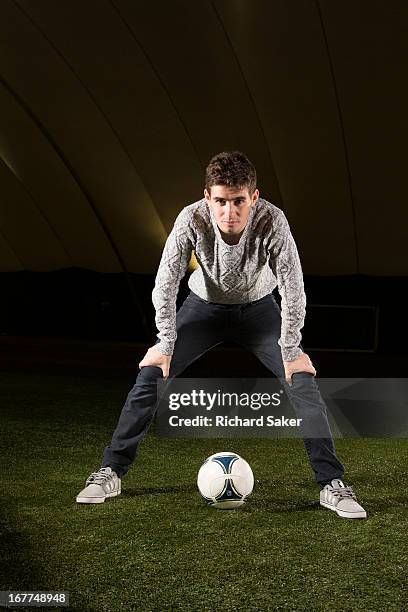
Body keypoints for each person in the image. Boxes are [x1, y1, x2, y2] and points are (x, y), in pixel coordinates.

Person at [76, 151, 367, 519]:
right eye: (221, 202)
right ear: (207, 197)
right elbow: (166, 282)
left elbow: (294, 287)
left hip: (260, 311)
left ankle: (331, 484)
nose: (229, 212)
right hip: (203, 309)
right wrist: (165, 343)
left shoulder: (273, 221)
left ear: (254, 197)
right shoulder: (191, 218)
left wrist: (291, 349)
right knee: (150, 375)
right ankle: (111, 471)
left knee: (302, 381)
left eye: (239, 201)